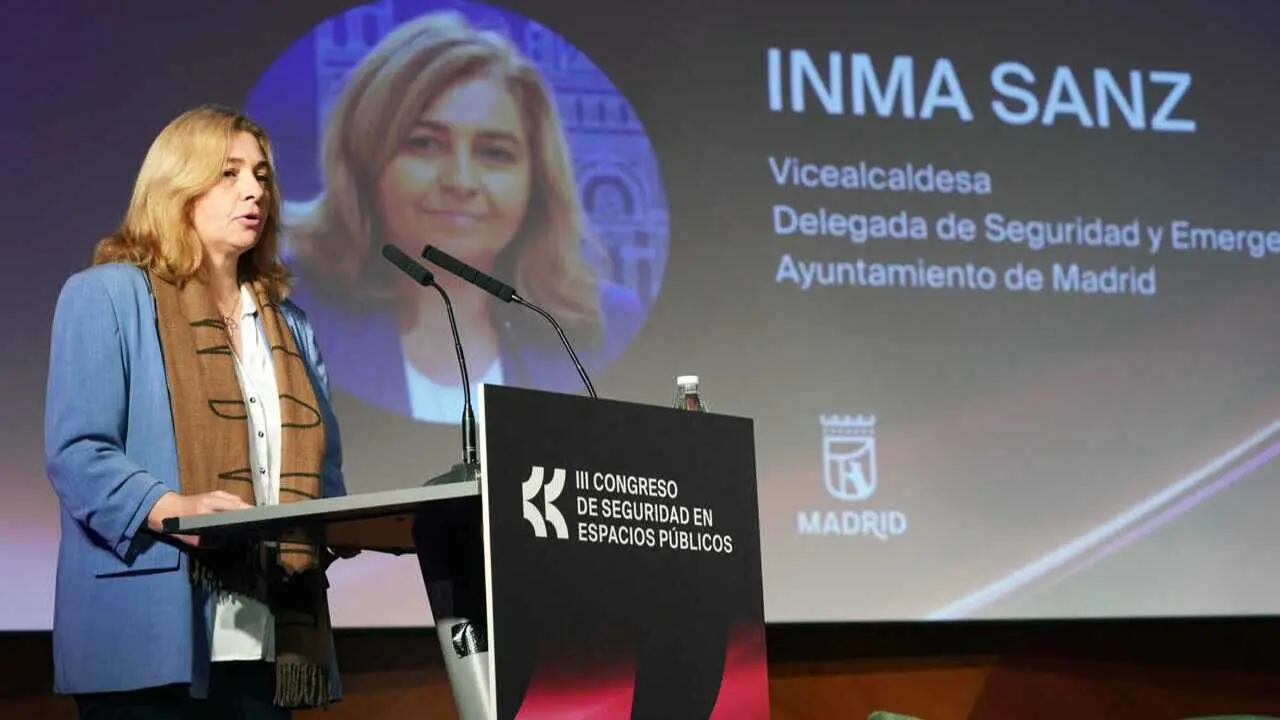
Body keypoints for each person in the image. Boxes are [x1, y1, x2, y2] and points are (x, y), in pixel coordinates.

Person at [44, 104, 350, 719]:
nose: (253, 191)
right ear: (177, 186)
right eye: (229, 173)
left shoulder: (291, 327)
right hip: (147, 638)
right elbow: (78, 453)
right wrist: (170, 508)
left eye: (261, 175)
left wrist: (357, 524)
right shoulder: (105, 295)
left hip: (268, 636)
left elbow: (328, 472)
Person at [284, 10, 644, 423]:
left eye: (495, 153)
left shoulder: (606, 324)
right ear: (364, 160)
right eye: (424, 144)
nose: (461, 181)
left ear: (536, 182)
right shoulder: (282, 309)